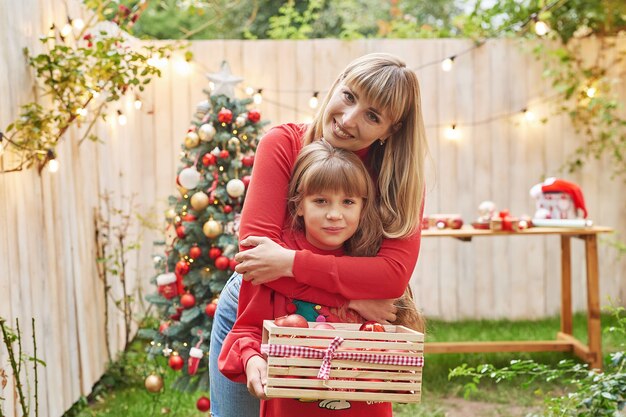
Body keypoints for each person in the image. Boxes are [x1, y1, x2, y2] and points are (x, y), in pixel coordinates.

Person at [209, 52, 428, 417]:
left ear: (391, 130)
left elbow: (392, 276)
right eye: (349, 96)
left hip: (349, 321)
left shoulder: (398, 181)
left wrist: (288, 262)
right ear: (337, 84)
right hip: (257, 303)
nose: (347, 119)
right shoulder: (283, 144)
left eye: (372, 116)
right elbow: (255, 258)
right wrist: (355, 296)